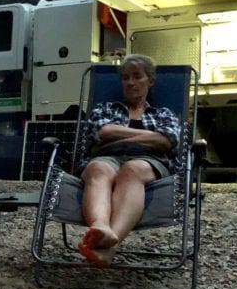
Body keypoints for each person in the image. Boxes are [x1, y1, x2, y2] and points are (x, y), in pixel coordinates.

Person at [77, 54, 182, 266]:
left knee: (132, 170)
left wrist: (122, 134)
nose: (130, 82)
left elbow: (166, 141)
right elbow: (103, 131)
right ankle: (101, 228)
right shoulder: (106, 108)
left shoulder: (163, 113)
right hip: (108, 155)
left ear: (150, 81)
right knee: (97, 168)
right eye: (125, 78)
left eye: (136, 76)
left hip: (148, 160)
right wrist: (147, 136)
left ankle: (110, 247)